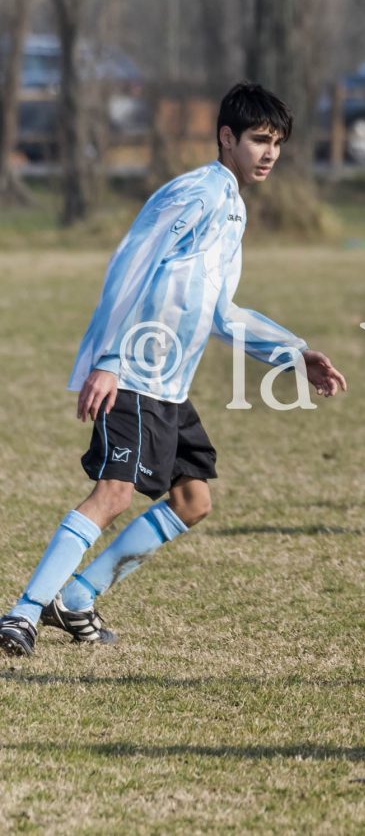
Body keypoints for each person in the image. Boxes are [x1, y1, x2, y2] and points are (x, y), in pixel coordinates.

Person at [0, 82, 347, 657]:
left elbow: (223, 313)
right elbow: (131, 266)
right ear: (226, 137)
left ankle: (77, 598)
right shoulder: (196, 193)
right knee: (113, 494)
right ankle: (22, 613)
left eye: (277, 143)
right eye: (259, 140)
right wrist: (110, 359)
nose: (270, 153)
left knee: (192, 502)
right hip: (135, 372)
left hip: (170, 385)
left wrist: (292, 353)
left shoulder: (233, 207)